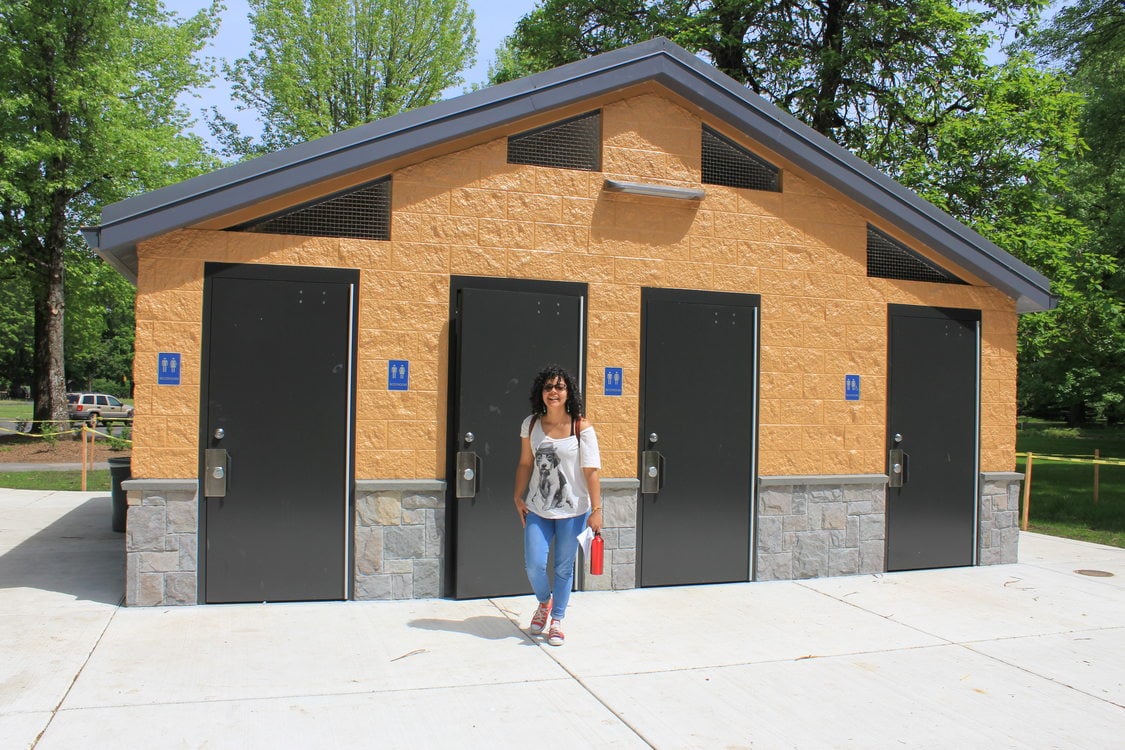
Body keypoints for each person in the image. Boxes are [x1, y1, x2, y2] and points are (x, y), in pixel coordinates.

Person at [513, 364, 602, 646]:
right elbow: (526, 463)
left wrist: (597, 510)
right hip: (538, 507)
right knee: (534, 564)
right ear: (541, 392)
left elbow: (591, 471)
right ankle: (544, 602)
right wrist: (517, 495)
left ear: (568, 393)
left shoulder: (581, 427)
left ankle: (557, 620)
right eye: (548, 387)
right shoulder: (530, 424)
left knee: (563, 568)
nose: (553, 392)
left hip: (573, 510)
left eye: (559, 387)